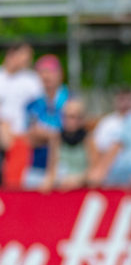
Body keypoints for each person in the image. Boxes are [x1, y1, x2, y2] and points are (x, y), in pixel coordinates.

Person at [22, 53, 70, 188]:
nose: (45, 76)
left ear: (60, 74)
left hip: (67, 166)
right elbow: (30, 138)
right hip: (36, 166)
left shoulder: (71, 100)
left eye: (50, 71)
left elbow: (73, 133)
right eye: (41, 72)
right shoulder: (32, 104)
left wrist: (49, 135)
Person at [0, 41, 44, 185]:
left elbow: (38, 109)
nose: (29, 59)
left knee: (19, 145)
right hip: (4, 132)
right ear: (12, 54)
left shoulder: (32, 80)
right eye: (25, 54)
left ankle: (13, 192)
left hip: (23, 135)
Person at [39, 96, 90, 191]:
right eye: (66, 117)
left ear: (81, 119)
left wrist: (78, 179)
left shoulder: (88, 140)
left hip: (82, 188)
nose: (69, 121)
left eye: (73, 117)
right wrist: (50, 181)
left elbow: (95, 172)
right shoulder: (56, 139)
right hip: (61, 186)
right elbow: (51, 169)